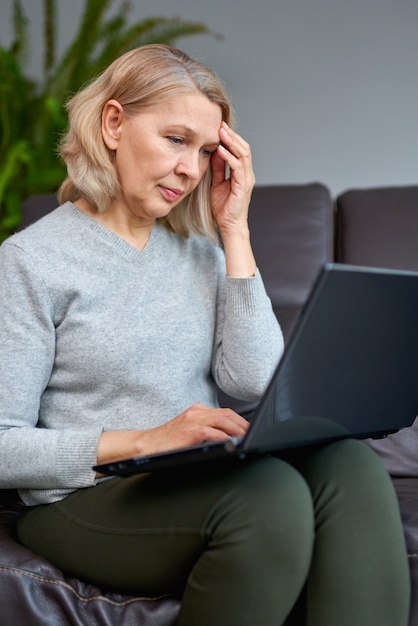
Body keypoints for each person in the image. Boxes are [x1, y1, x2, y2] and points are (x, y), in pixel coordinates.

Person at [0, 44, 410, 626]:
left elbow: (256, 379)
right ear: (113, 123)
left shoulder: (201, 254)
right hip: (84, 498)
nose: (192, 169)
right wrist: (145, 440)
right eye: (175, 139)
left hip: (188, 477)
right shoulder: (29, 262)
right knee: (269, 498)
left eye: (205, 150)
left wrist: (234, 231)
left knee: (351, 464)